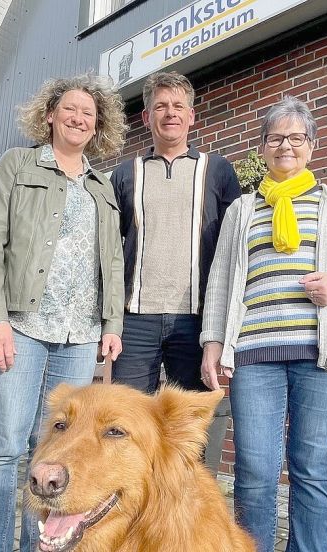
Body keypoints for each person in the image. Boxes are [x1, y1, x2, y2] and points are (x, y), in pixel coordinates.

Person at [199, 96, 327, 552]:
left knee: (313, 469)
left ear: (312, 146)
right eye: (276, 138)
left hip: (322, 357)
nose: (286, 145)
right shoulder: (242, 211)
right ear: (262, 148)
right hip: (255, 358)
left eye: (296, 138)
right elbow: (220, 280)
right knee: (255, 473)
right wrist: (213, 343)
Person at [0, 74, 127, 552]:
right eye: (71, 109)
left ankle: (40, 545)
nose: (79, 119)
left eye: (88, 114)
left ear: (98, 127)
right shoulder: (16, 165)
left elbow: (112, 262)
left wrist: (111, 323)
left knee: (55, 452)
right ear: (51, 115)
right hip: (20, 327)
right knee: (2, 448)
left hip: (79, 335)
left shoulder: (102, 185)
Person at [110, 71, 240, 393]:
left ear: (191, 116)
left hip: (196, 319)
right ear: (146, 116)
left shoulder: (219, 170)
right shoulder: (125, 174)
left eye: (179, 106)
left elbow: (235, 246)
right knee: (130, 422)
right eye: (161, 106)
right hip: (135, 321)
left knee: (188, 428)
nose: (170, 113)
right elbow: (109, 248)